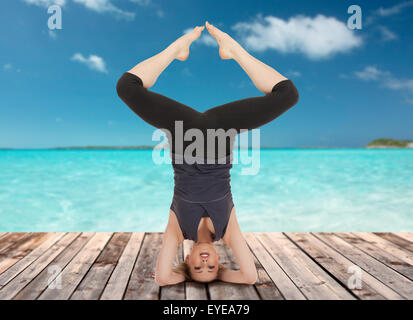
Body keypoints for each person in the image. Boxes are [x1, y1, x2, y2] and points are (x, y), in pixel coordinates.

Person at [116, 21, 299, 285]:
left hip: (183, 134)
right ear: (219, 260)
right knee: (288, 95)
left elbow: (163, 278)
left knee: (127, 87)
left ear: (187, 261)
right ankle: (234, 50)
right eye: (212, 267)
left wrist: (186, 276)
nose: (204, 263)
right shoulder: (228, 231)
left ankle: (176, 49)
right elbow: (249, 277)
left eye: (198, 269)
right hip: (221, 132)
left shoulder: (177, 232)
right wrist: (223, 275)